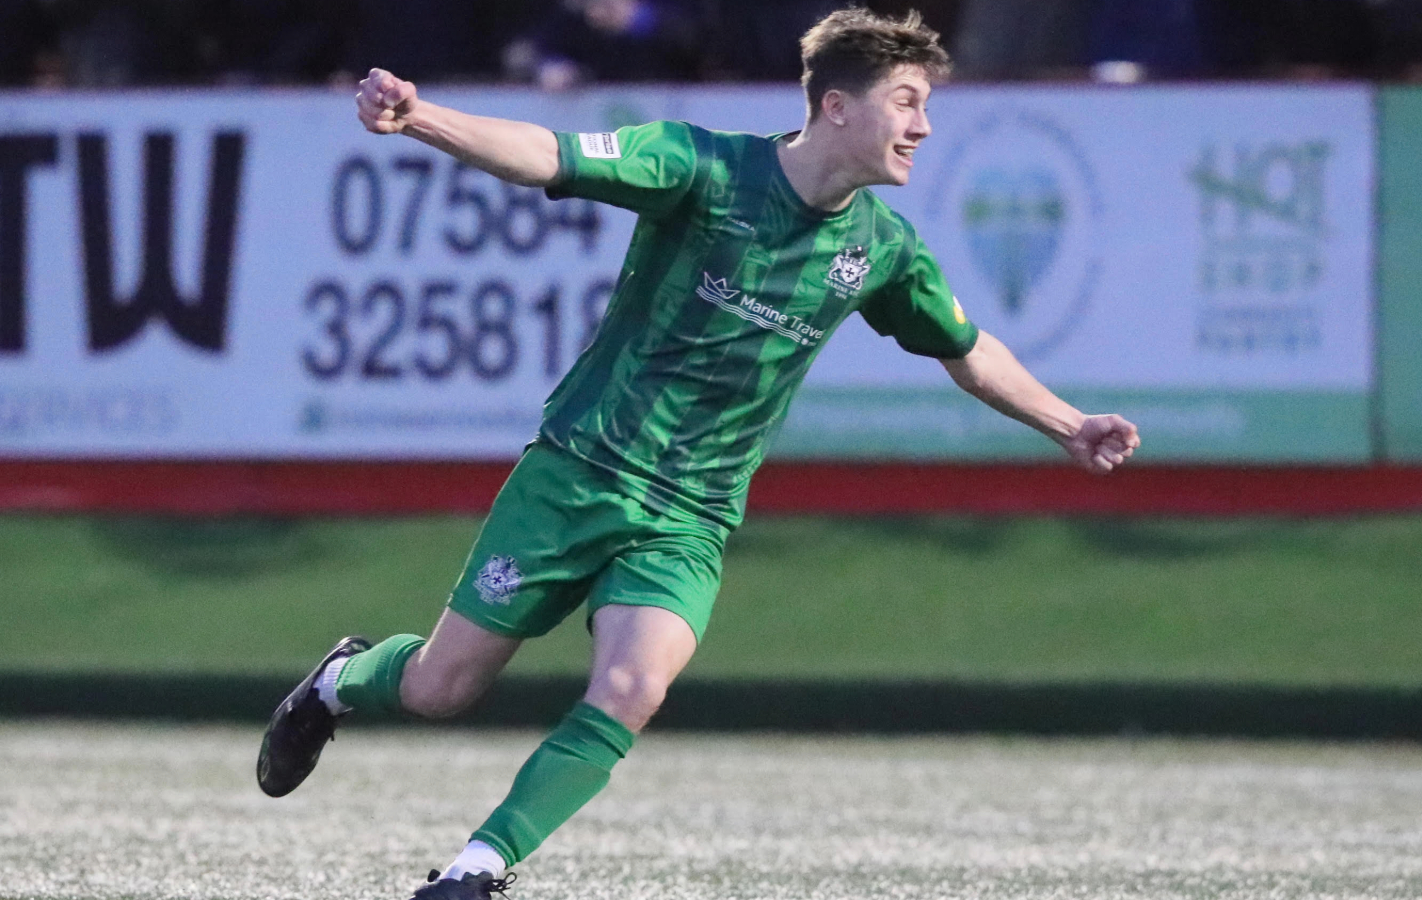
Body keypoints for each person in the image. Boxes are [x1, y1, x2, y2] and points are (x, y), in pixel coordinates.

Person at [255, 8, 1140, 900]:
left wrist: (1067, 423)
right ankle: (338, 682)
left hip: (691, 515)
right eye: (906, 102)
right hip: (580, 471)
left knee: (635, 686)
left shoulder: (882, 250)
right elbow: (549, 155)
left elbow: (968, 348)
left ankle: (473, 873)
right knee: (440, 689)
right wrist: (423, 117)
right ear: (836, 106)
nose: (924, 126)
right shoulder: (703, 165)